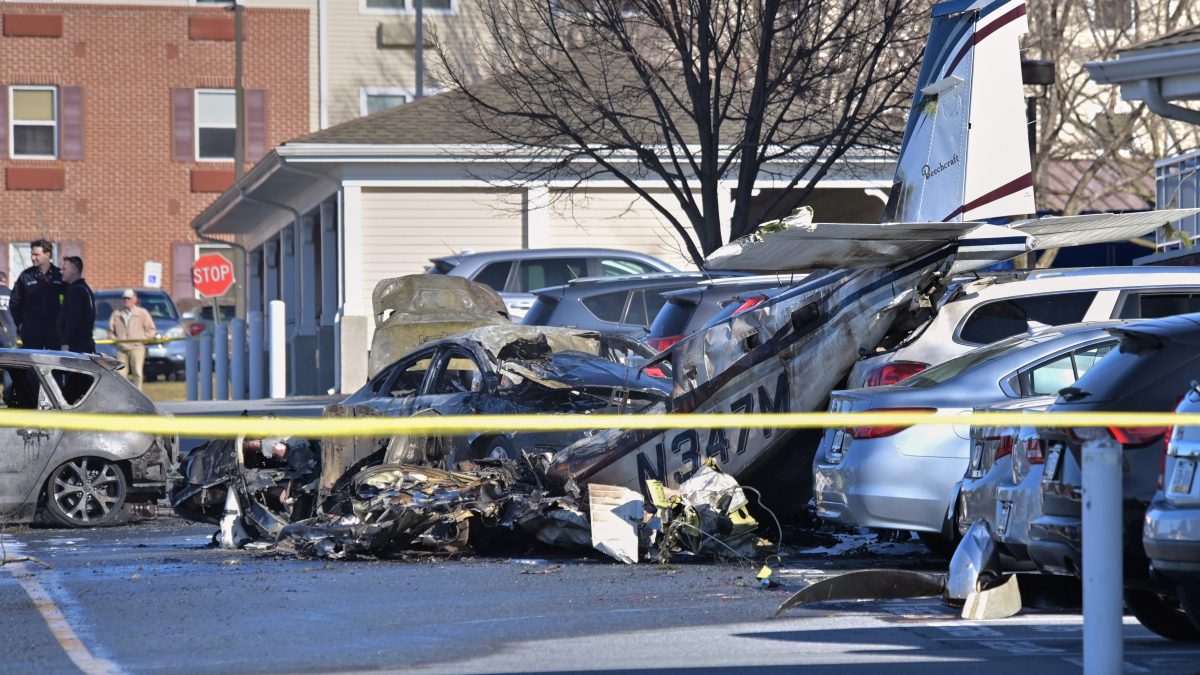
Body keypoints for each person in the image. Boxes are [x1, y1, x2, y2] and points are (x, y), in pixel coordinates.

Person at [9, 239, 65, 349]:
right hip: (31, 331)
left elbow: (68, 302)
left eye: (36, 255)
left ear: (47, 254)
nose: (33, 258)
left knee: (55, 363)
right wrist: (20, 324)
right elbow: (15, 302)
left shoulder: (59, 275)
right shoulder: (26, 276)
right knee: (32, 364)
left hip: (54, 331)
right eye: (32, 254)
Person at [108, 289, 156, 389]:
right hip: (121, 349)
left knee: (137, 373)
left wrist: (142, 339)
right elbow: (110, 331)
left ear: (135, 299)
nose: (126, 300)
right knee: (120, 374)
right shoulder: (117, 313)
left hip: (137, 348)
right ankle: (122, 396)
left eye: (128, 298)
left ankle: (138, 396)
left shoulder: (142, 313)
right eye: (124, 298)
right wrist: (116, 341)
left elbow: (152, 330)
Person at [57, 256, 96, 354]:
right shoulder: (84, 288)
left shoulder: (76, 291)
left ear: (74, 270)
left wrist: (65, 342)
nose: (61, 271)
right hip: (84, 344)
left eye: (64, 269)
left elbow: (74, 319)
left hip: (76, 347)